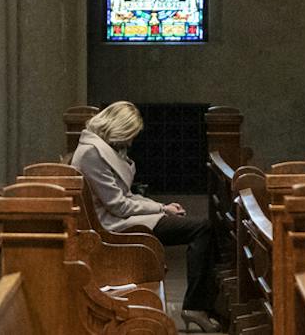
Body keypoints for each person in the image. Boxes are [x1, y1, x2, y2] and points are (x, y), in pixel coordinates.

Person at [70, 102, 217, 323]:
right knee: (202, 228)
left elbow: (124, 196)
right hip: (112, 227)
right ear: (118, 128)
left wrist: (162, 208)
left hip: (118, 218)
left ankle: (201, 305)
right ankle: (195, 307)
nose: (130, 141)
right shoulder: (92, 154)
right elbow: (119, 205)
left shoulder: (99, 148)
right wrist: (160, 208)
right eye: (130, 135)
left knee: (202, 226)